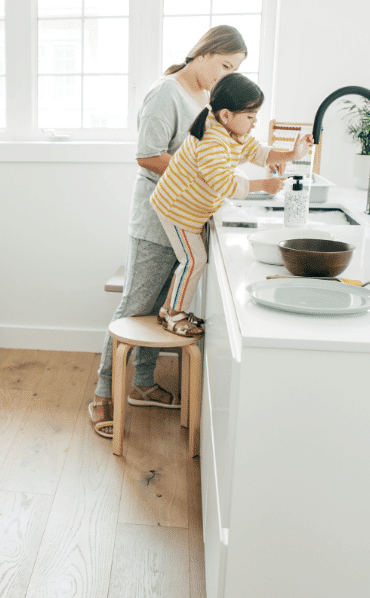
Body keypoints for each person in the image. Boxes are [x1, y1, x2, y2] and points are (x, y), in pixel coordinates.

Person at [89, 25, 249, 439]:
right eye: (225, 64)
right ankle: (103, 395)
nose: (227, 74)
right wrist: (200, 173)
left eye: (235, 69)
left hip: (184, 218)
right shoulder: (167, 92)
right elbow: (147, 155)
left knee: (163, 307)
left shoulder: (203, 98)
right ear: (204, 52)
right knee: (134, 306)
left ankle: (141, 383)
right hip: (156, 220)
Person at [153, 72, 314, 336]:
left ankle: (167, 310)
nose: (254, 123)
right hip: (176, 209)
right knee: (194, 261)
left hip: (187, 209)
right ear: (227, 115)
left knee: (190, 260)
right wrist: (263, 185)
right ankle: (174, 315)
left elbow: (257, 151)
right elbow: (225, 184)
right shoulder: (212, 141)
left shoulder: (229, 132)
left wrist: (292, 154)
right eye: (250, 116)